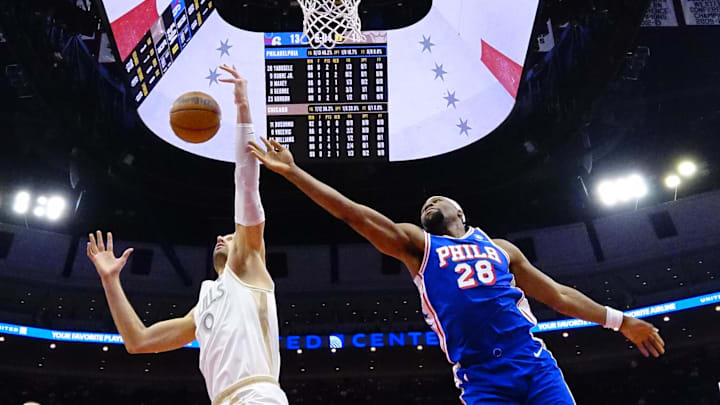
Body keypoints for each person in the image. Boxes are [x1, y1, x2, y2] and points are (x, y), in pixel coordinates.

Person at [248, 139, 666, 405]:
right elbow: (354, 214)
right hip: (481, 377)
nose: (428, 205)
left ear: (461, 213)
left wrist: (622, 321)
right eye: (424, 205)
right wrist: (294, 172)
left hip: (533, 362)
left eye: (436, 200)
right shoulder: (420, 246)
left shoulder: (500, 249)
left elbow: (558, 295)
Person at [86, 65, 288, 405]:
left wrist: (242, 106)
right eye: (222, 236)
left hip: (257, 395)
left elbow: (245, 182)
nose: (223, 238)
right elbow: (138, 341)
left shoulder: (248, 267)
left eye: (232, 234)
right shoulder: (204, 305)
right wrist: (110, 280)